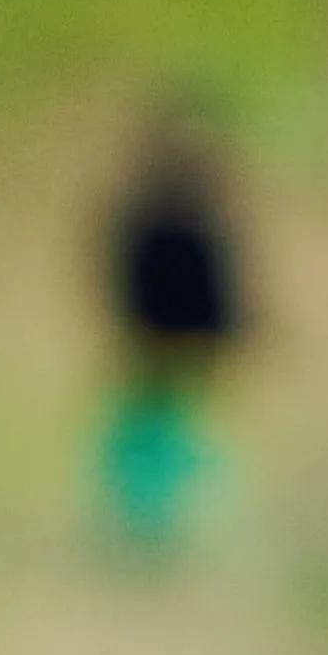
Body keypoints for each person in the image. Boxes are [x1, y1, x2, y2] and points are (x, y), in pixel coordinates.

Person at [96, 111, 245, 568]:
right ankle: (160, 527)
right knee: (172, 433)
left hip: (159, 343)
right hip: (173, 344)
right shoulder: (191, 221)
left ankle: (162, 528)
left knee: (168, 434)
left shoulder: (149, 217)